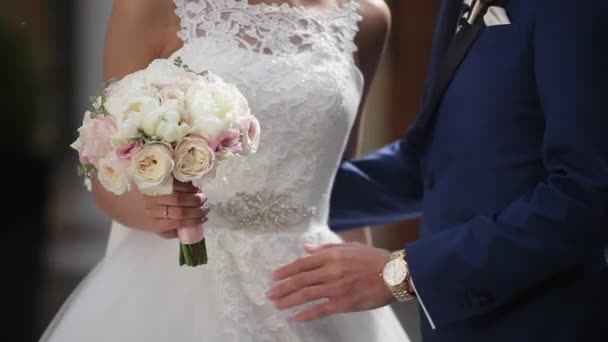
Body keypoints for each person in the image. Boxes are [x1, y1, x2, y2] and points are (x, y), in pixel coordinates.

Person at [40, 0, 412, 341]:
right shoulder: (151, 6)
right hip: (177, 281)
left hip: (310, 285)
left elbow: (341, 181)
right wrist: (152, 209)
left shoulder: (367, 17)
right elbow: (103, 165)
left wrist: (365, 296)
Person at [267, 0, 608, 341]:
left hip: (539, 321)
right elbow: (431, 162)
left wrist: (407, 272)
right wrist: (261, 195)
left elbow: (587, 195)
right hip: (455, 326)